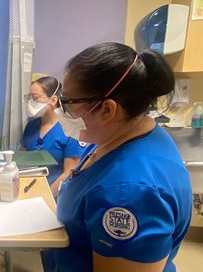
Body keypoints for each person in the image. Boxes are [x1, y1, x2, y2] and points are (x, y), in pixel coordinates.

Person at [46, 42, 192, 272]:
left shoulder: (128, 194)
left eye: (67, 102)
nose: (59, 111)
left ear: (107, 110)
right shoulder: (121, 135)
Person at [21, 76, 86, 196]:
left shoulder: (70, 130)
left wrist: (46, 196)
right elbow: (23, 160)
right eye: (29, 97)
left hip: (55, 194)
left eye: (35, 97)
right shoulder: (31, 126)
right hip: (27, 188)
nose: (31, 101)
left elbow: (69, 173)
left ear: (53, 100)